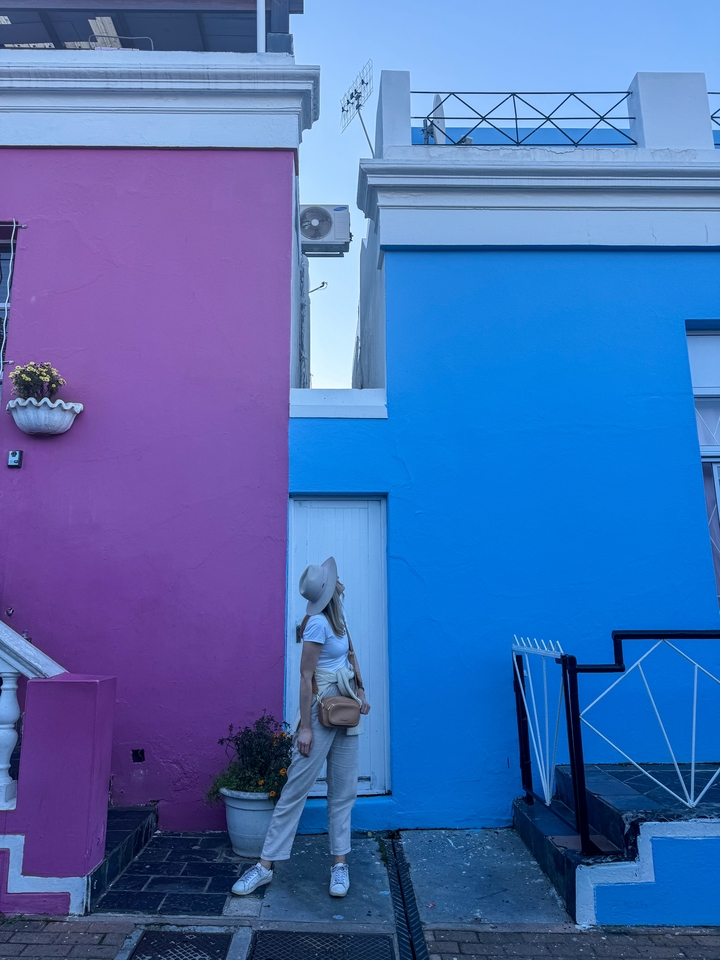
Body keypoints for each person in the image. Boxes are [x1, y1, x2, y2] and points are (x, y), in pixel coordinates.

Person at [231, 556, 371, 899]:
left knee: (344, 792)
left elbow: (349, 657)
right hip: (319, 709)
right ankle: (265, 866)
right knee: (296, 789)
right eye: (336, 580)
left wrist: (361, 692)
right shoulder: (317, 624)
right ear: (329, 590)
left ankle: (339, 864)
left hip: (345, 706)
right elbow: (306, 677)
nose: (341, 583)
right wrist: (304, 728)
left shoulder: (340, 617)